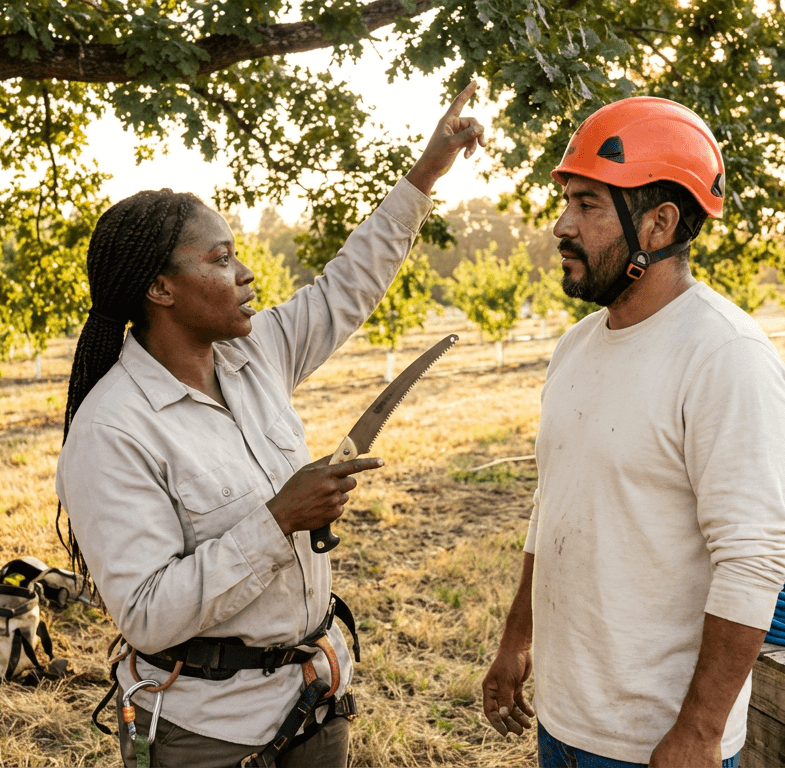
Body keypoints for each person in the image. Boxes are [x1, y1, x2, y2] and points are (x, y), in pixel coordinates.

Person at [55, 84, 485, 768]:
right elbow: (147, 614)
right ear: (159, 289)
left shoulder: (254, 353)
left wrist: (427, 173)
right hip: (209, 733)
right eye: (220, 259)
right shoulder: (111, 431)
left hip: (314, 697)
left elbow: (348, 285)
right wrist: (277, 518)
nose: (247, 272)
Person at [480, 97, 785, 768]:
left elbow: (755, 559)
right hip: (564, 720)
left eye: (589, 205)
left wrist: (701, 733)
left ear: (658, 225)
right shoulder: (575, 346)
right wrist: (516, 637)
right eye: (566, 200)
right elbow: (557, 502)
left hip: (657, 743)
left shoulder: (725, 355)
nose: (561, 225)